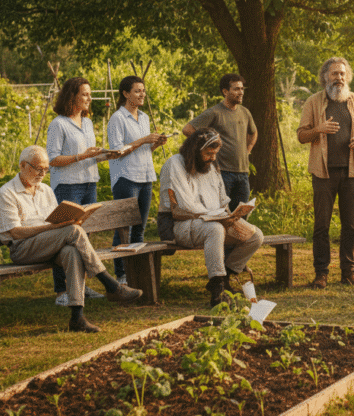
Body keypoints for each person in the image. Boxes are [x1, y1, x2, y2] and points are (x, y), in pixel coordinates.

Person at [0, 146, 142, 333]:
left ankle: (77, 318)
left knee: (72, 252)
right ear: (23, 165)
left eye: (46, 169)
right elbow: (15, 232)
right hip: (22, 249)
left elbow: (55, 219)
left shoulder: (45, 190)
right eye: (39, 168)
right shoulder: (7, 193)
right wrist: (55, 227)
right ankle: (110, 284)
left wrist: (68, 220)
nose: (42, 173)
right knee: (74, 230)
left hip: (49, 245)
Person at [157, 129, 265, 307]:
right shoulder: (175, 164)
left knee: (255, 236)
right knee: (215, 229)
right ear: (195, 150)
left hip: (214, 220)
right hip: (179, 224)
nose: (213, 157)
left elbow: (222, 200)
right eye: (208, 153)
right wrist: (217, 218)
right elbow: (184, 206)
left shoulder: (212, 167)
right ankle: (217, 289)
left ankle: (226, 278)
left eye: (215, 153)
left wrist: (230, 216)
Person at [297, 57, 354, 288]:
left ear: (347, 77)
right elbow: (301, 136)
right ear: (325, 76)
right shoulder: (313, 102)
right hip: (323, 172)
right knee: (321, 225)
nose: (339, 77)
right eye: (334, 73)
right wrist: (319, 129)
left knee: (350, 226)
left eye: (342, 73)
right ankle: (321, 273)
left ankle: (348, 272)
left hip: (351, 171)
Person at [46, 77, 105, 306]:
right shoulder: (58, 124)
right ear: (73, 96)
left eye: (90, 94)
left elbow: (90, 154)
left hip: (90, 183)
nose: (90, 98)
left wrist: (105, 155)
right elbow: (53, 160)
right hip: (68, 185)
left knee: (84, 239)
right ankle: (62, 290)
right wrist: (83, 156)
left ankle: (79, 286)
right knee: (65, 238)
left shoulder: (87, 123)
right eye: (85, 94)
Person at [107, 75, 168, 284]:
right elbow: (116, 151)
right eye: (137, 91)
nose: (142, 94)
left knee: (140, 228)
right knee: (125, 228)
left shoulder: (143, 117)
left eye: (143, 91)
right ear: (125, 94)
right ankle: (122, 275)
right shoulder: (117, 118)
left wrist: (155, 144)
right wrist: (143, 139)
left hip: (145, 176)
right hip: (126, 177)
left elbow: (143, 149)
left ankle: (138, 273)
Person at [182, 73, 257, 207]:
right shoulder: (214, 112)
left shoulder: (245, 112)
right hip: (221, 172)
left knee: (240, 215)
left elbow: (253, 132)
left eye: (242, 89)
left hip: (243, 173)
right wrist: (206, 148)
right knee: (222, 213)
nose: (241, 92)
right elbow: (188, 129)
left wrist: (248, 150)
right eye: (236, 89)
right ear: (225, 91)